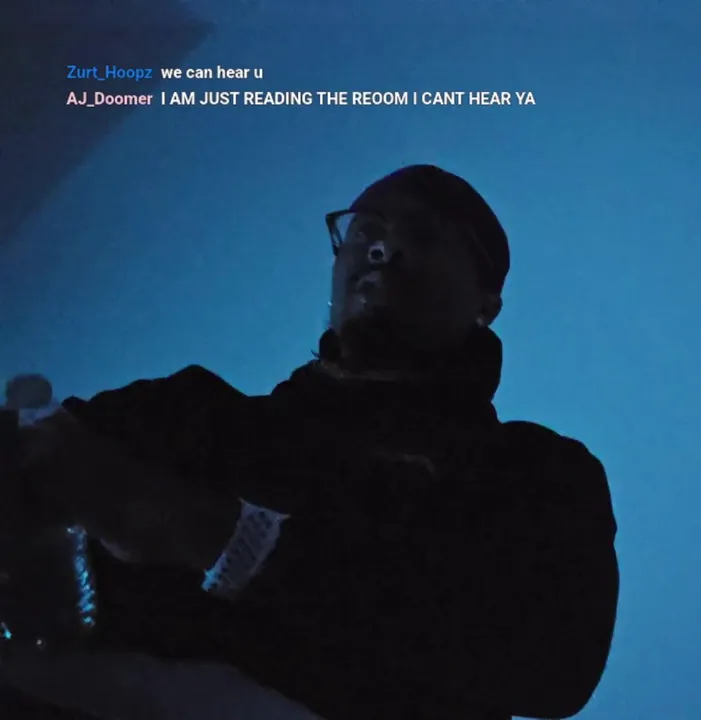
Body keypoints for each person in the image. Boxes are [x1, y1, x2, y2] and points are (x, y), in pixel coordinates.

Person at [0, 165, 620, 720]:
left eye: (425, 235)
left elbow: (552, 667)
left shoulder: (534, 475)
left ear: (487, 303)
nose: (381, 247)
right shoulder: (186, 413)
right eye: (364, 229)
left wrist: (216, 534)